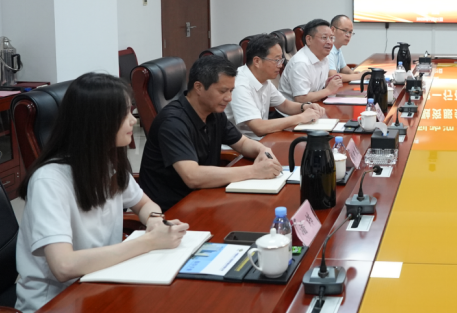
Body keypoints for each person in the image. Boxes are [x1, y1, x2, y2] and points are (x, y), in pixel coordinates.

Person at [15, 73, 190, 313]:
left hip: (101, 282)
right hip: (54, 308)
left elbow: (143, 203)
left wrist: (154, 221)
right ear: (98, 121)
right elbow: (64, 266)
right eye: (125, 113)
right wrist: (148, 242)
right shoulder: (49, 181)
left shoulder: (107, 161)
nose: (133, 120)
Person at [140, 56, 282, 211]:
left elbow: (242, 143)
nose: (229, 98)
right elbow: (192, 176)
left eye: (231, 91)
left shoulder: (213, 112)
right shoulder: (173, 122)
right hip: (173, 210)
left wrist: (263, 150)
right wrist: (254, 171)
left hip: (205, 197)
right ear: (199, 87)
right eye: (223, 91)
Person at [227, 34, 326, 139]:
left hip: (263, 139)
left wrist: (304, 107)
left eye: (281, 60)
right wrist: (301, 117)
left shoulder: (263, 79)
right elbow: (259, 127)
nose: (280, 65)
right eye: (276, 60)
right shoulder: (240, 85)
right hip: (244, 144)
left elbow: (284, 105)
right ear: (257, 61)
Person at [279, 18, 343, 104]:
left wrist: (326, 85)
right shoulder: (301, 63)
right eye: (324, 37)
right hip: (294, 110)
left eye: (331, 38)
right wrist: (328, 90)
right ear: (309, 39)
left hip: (313, 106)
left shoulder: (324, 57)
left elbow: (315, 89)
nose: (329, 42)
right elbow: (301, 99)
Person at [328, 14, 361, 82]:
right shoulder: (328, 48)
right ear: (333, 30)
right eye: (345, 31)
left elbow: (343, 67)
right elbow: (333, 76)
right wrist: (359, 76)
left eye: (350, 32)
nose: (348, 35)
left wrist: (353, 73)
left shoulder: (337, 48)